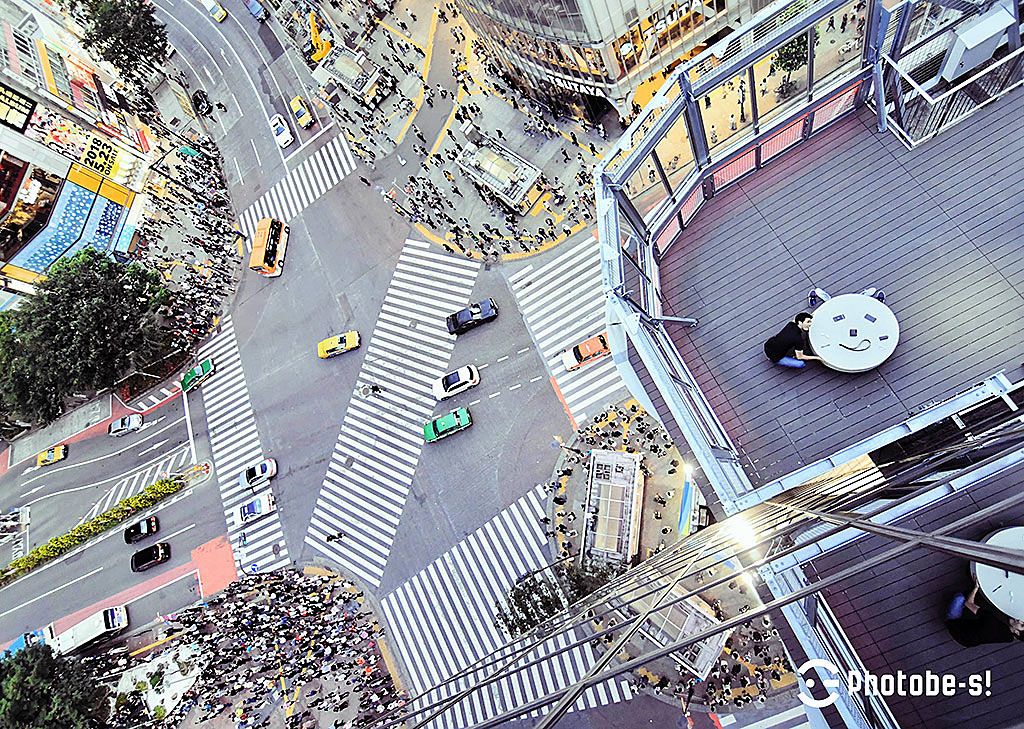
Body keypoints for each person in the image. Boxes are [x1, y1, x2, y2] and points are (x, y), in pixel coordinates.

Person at [946, 579, 1024, 647]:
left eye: (1022, 625)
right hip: (968, 642)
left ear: (1017, 632)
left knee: (959, 598)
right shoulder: (1009, 638)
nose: (1020, 620)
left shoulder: (991, 621)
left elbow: (968, 603)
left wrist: (976, 587)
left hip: (955, 627)